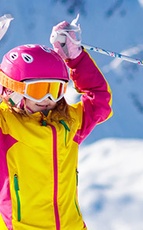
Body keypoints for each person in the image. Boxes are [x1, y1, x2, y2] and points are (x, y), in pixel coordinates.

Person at [0, 20, 112, 229]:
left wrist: (75, 59)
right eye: (38, 89)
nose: (47, 98)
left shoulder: (68, 123)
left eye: (55, 89)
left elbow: (99, 101)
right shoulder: (5, 127)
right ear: (13, 89)